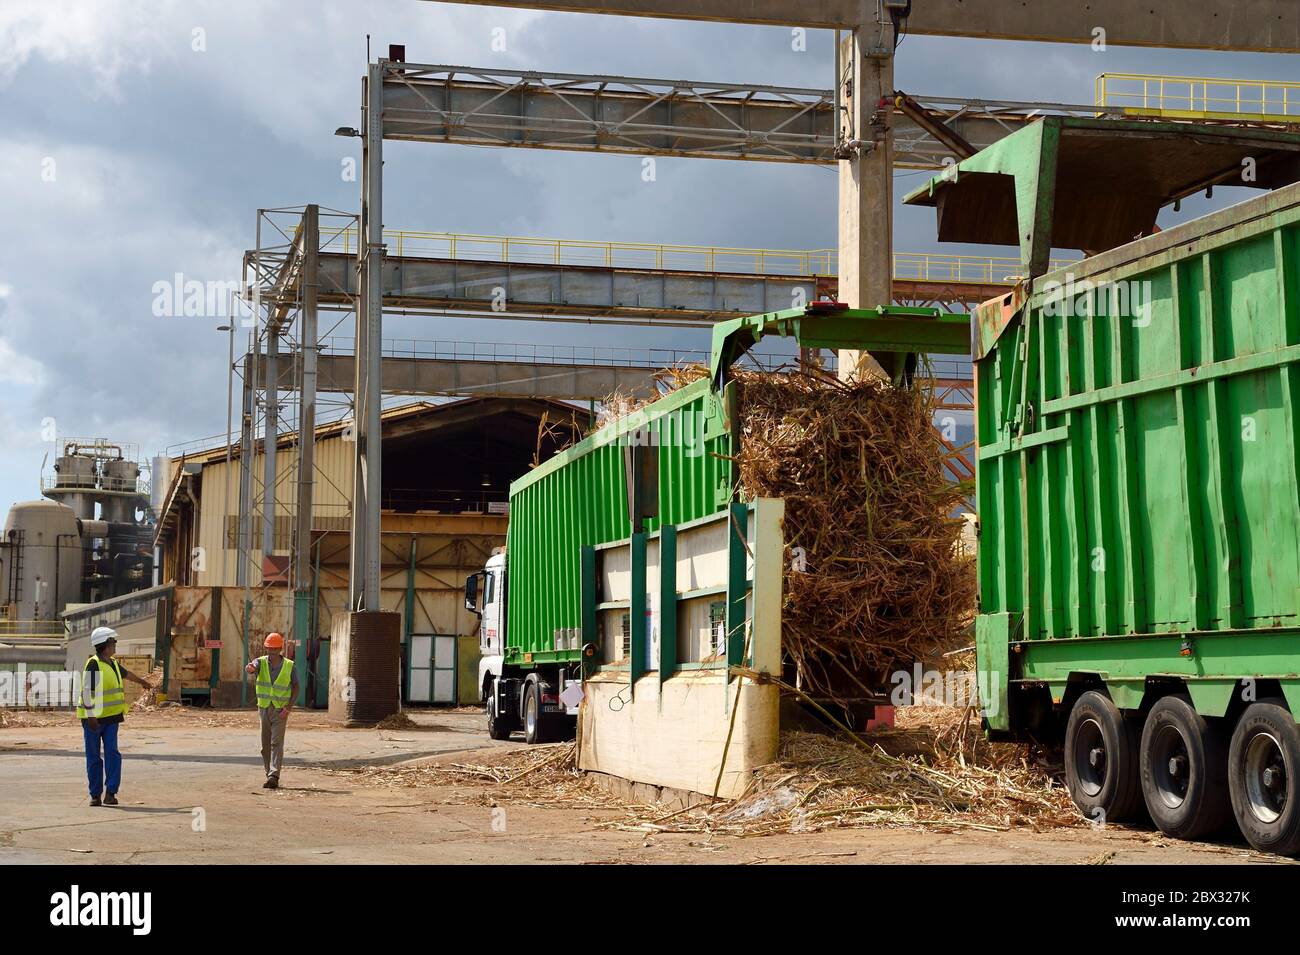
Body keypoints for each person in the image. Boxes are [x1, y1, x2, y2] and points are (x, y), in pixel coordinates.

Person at [78, 626, 152, 807]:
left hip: (112, 718)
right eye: (113, 641)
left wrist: (144, 683)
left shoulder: (112, 663)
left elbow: (128, 675)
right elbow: (87, 691)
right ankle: (95, 795)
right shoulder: (94, 664)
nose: (115, 644)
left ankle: (110, 793)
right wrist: (90, 716)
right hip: (93, 719)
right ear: (105, 644)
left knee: (112, 754)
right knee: (94, 756)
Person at [245, 632, 298, 789]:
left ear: (280, 649)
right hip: (264, 708)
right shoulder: (260, 662)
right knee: (265, 745)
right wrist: (250, 668)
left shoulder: (289, 665)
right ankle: (269, 774)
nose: (273, 652)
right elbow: (252, 666)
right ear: (266, 648)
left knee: (276, 742)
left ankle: (274, 775)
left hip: (280, 710)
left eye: (275, 649)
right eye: (270, 648)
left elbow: (296, 687)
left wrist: (288, 708)